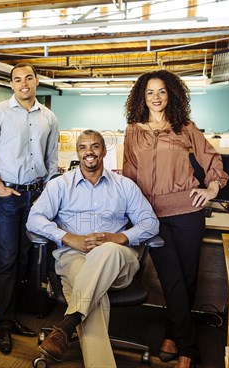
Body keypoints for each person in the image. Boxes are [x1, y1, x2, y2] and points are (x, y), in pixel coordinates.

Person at [123, 70, 228, 368]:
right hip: (151, 216)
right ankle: (189, 347)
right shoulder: (133, 130)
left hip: (188, 211)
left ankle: (172, 334)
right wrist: (128, 210)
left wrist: (211, 188)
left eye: (162, 92)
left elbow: (213, 160)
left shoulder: (185, 127)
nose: (156, 98)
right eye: (150, 93)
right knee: (171, 277)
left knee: (187, 276)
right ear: (142, 98)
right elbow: (129, 173)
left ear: (172, 95)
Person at [28, 130, 159, 366]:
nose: (89, 152)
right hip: (73, 257)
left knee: (106, 252)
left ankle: (68, 323)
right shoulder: (60, 185)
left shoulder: (124, 186)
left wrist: (120, 237)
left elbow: (151, 223)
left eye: (95, 146)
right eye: (83, 147)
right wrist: (68, 237)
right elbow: (34, 219)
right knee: (89, 294)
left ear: (104, 151)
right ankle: (73, 327)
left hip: (119, 262)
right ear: (78, 152)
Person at [0, 62, 59, 354]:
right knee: (7, 259)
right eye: (17, 79)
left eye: (28, 78)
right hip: (8, 195)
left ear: (37, 80)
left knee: (26, 258)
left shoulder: (48, 117)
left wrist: (48, 192)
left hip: (35, 196)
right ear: (11, 84)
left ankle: (12, 317)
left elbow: (51, 158)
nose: (23, 83)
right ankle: (3, 323)